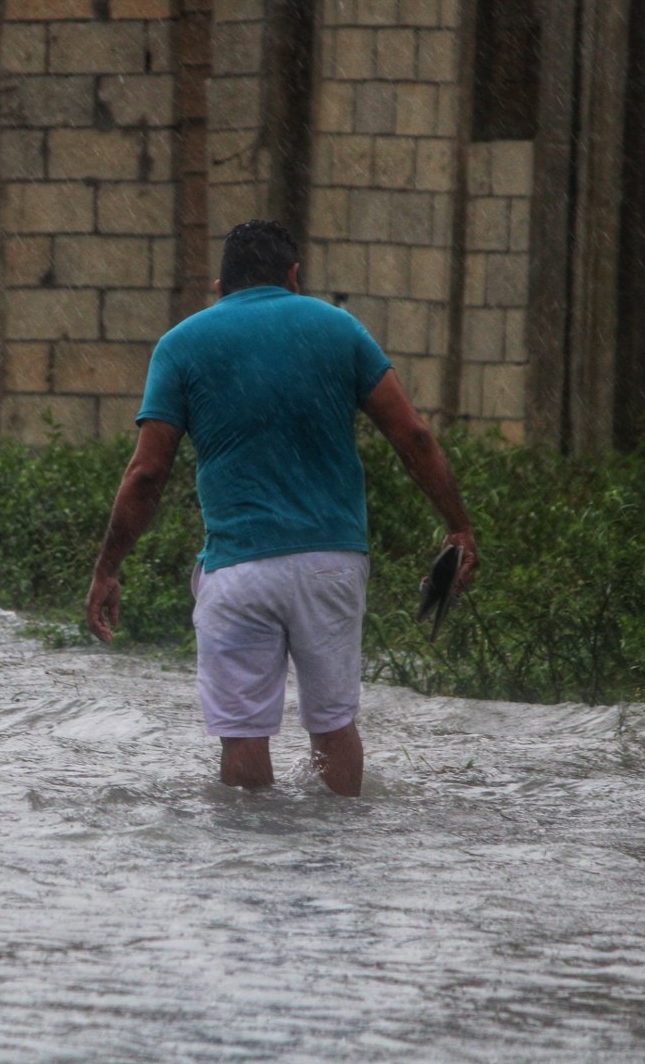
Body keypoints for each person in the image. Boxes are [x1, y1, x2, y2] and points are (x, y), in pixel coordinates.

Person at [85, 220, 477, 796]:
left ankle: (250, 869)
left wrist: (107, 567)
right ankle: (337, 854)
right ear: (294, 277)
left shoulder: (182, 344)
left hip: (238, 570)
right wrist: (458, 525)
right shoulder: (339, 328)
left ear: (220, 286)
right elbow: (413, 437)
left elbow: (147, 474)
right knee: (334, 725)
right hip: (332, 566)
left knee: (243, 737)